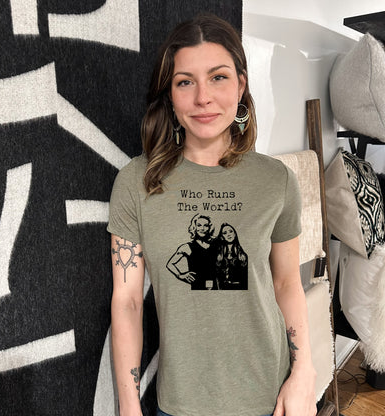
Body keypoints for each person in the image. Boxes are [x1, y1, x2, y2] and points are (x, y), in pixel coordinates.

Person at [108, 13, 317, 416]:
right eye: (185, 82)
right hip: (181, 402)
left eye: (218, 77)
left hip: (269, 397)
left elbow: (287, 282)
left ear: (241, 84)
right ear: (170, 95)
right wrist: (128, 406)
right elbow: (128, 301)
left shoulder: (276, 180)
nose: (203, 97)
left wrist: (303, 372)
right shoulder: (137, 182)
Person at [166, 213, 218, 290]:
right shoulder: (187, 247)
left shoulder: (215, 245)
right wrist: (180, 275)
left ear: (209, 228)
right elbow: (170, 264)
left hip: (216, 288)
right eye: (199, 225)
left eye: (206, 225)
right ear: (194, 227)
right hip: (198, 288)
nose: (202, 228)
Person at [215, 223, 248, 290]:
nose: (228, 234)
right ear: (222, 237)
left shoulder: (243, 252)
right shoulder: (218, 253)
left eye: (231, 231)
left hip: (240, 289)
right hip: (222, 290)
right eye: (225, 233)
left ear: (235, 234)